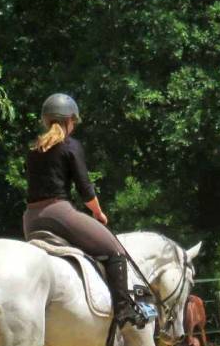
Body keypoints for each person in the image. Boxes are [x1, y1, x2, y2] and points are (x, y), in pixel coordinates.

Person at [23, 93, 146, 328]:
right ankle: (123, 310)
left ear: (46, 120)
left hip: (30, 219)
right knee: (115, 251)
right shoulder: (70, 146)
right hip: (58, 213)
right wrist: (98, 214)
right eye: (74, 122)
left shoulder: (34, 148)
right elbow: (85, 189)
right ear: (69, 120)